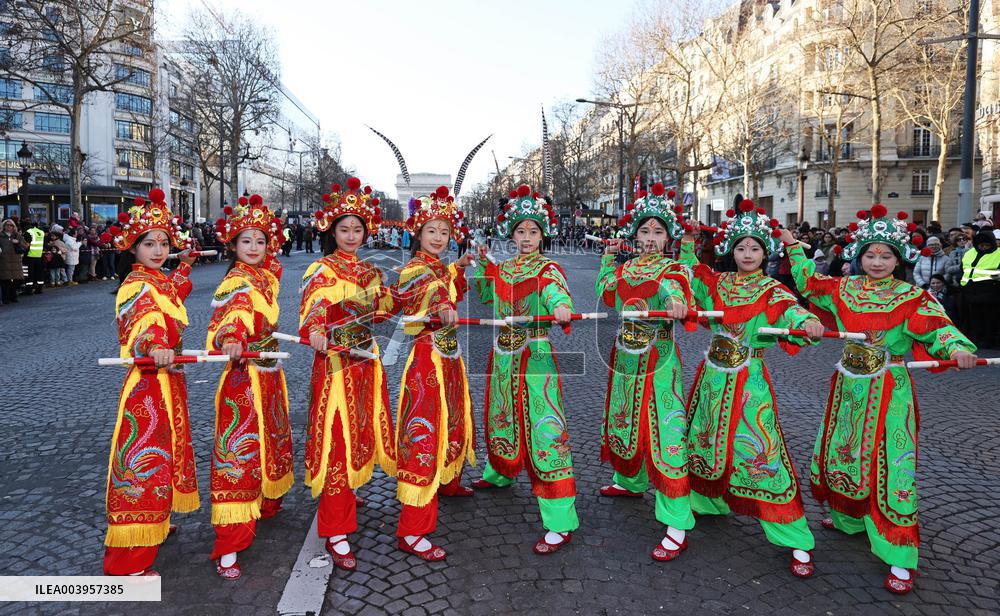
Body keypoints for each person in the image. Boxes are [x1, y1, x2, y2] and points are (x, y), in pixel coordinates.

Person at [781, 204, 978, 594]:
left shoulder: (912, 297)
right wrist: (793, 247)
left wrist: (957, 348)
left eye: (885, 255)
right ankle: (850, 518)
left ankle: (900, 555)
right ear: (859, 255)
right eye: (870, 254)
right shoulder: (845, 288)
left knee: (894, 466)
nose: (876, 261)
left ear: (899, 258)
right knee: (844, 451)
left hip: (890, 390)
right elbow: (809, 283)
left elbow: (938, 329)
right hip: (848, 387)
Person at [679, 200, 822, 577]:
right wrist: (688, 240)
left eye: (755, 248)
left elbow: (792, 310)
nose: (747, 254)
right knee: (704, 439)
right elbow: (690, 276)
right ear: (731, 250)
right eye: (741, 247)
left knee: (762, 451)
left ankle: (793, 535)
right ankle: (706, 501)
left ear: (765, 253)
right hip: (711, 379)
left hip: (748, 381)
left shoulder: (772, 289)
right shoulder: (719, 282)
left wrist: (806, 321)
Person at [472, 184, 579, 555]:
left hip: (535, 359)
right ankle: (499, 471)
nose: (528, 237)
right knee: (503, 417)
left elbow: (554, 292)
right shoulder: (505, 269)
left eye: (534, 231)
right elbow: (488, 294)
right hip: (503, 358)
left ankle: (560, 518)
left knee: (545, 430)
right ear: (512, 234)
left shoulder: (548, 268)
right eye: (521, 231)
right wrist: (483, 264)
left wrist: (561, 306)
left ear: (543, 234)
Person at [594, 184, 696, 562]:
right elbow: (607, 292)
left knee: (666, 431)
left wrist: (675, 302)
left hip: (659, 362)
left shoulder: (673, 268)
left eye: (658, 232)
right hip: (625, 360)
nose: (651, 239)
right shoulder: (626, 268)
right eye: (644, 231)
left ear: (668, 237)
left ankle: (676, 522)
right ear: (633, 235)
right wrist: (607, 260)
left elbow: (678, 290)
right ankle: (629, 480)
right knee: (626, 421)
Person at [100, 189, 199, 576]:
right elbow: (143, 322)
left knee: (165, 456)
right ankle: (127, 563)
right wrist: (155, 345)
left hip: (166, 381)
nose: (158, 250)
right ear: (133, 247)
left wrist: (186, 267)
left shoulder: (156, 279)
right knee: (142, 462)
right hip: (147, 386)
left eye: (163, 243)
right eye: (149, 244)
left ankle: (154, 519)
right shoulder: (134, 285)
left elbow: (173, 295)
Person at [300, 178, 397, 570]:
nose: (352, 236)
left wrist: (398, 293)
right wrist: (317, 332)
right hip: (336, 367)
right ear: (331, 231)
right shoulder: (320, 270)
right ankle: (336, 529)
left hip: (365, 364)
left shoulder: (371, 271)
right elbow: (311, 312)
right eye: (345, 229)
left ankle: (345, 496)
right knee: (335, 442)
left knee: (358, 435)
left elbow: (385, 311)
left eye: (358, 229)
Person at [206, 194, 293, 580]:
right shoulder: (238, 280)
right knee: (239, 453)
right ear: (233, 245)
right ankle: (231, 540)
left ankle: (268, 501)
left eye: (260, 240)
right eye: (246, 241)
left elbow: (271, 267)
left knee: (272, 438)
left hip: (270, 372)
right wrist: (231, 338)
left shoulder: (265, 273)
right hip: (245, 378)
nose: (255, 248)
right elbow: (232, 313)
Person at [391, 187, 476, 561]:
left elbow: (445, 280)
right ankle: (412, 527)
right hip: (427, 360)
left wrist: (460, 267)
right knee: (424, 432)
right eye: (431, 231)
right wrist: (441, 303)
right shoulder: (414, 268)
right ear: (418, 234)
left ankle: (449, 478)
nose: (439, 238)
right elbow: (420, 288)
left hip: (450, 356)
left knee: (455, 420)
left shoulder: (441, 265)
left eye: (444, 231)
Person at [958, 231, 1000, 347]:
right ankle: (976, 339)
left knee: (989, 319)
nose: (983, 247)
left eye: (987, 245)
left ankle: (988, 341)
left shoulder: (998, 253)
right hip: (970, 293)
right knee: (973, 319)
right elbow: (963, 270)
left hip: (991, 293)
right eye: (981, 245)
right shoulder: (970, 253)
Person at [0, 219, 26, 303]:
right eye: (7, 225)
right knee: (5, 280)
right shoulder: (0, 235)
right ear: (3, 226)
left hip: (15, 261)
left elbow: (25, 246)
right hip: (4, 260)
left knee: (16, 280)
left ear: (14, 226)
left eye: (11, 225)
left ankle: (13, 296)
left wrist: (18, 242)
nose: (9, 227)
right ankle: (6, 298)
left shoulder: (17, 235)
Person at [23, 221, 46, 294]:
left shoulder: (28, 232)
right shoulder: (41, 232)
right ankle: (39, 288)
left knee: (29, 273)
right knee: (39, 273)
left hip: (30, 255)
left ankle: (29, 289)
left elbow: (27, 244)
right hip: (39, 255)